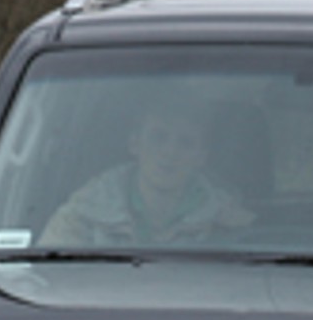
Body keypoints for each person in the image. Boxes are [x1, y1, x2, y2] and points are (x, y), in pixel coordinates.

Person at [41, 105, 253, 246]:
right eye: (159, 137)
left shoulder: (230, 225)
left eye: (185, 143)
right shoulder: (81, 216)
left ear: (201, 157)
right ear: (134, 144)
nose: (170, 152)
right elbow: (45, 282)